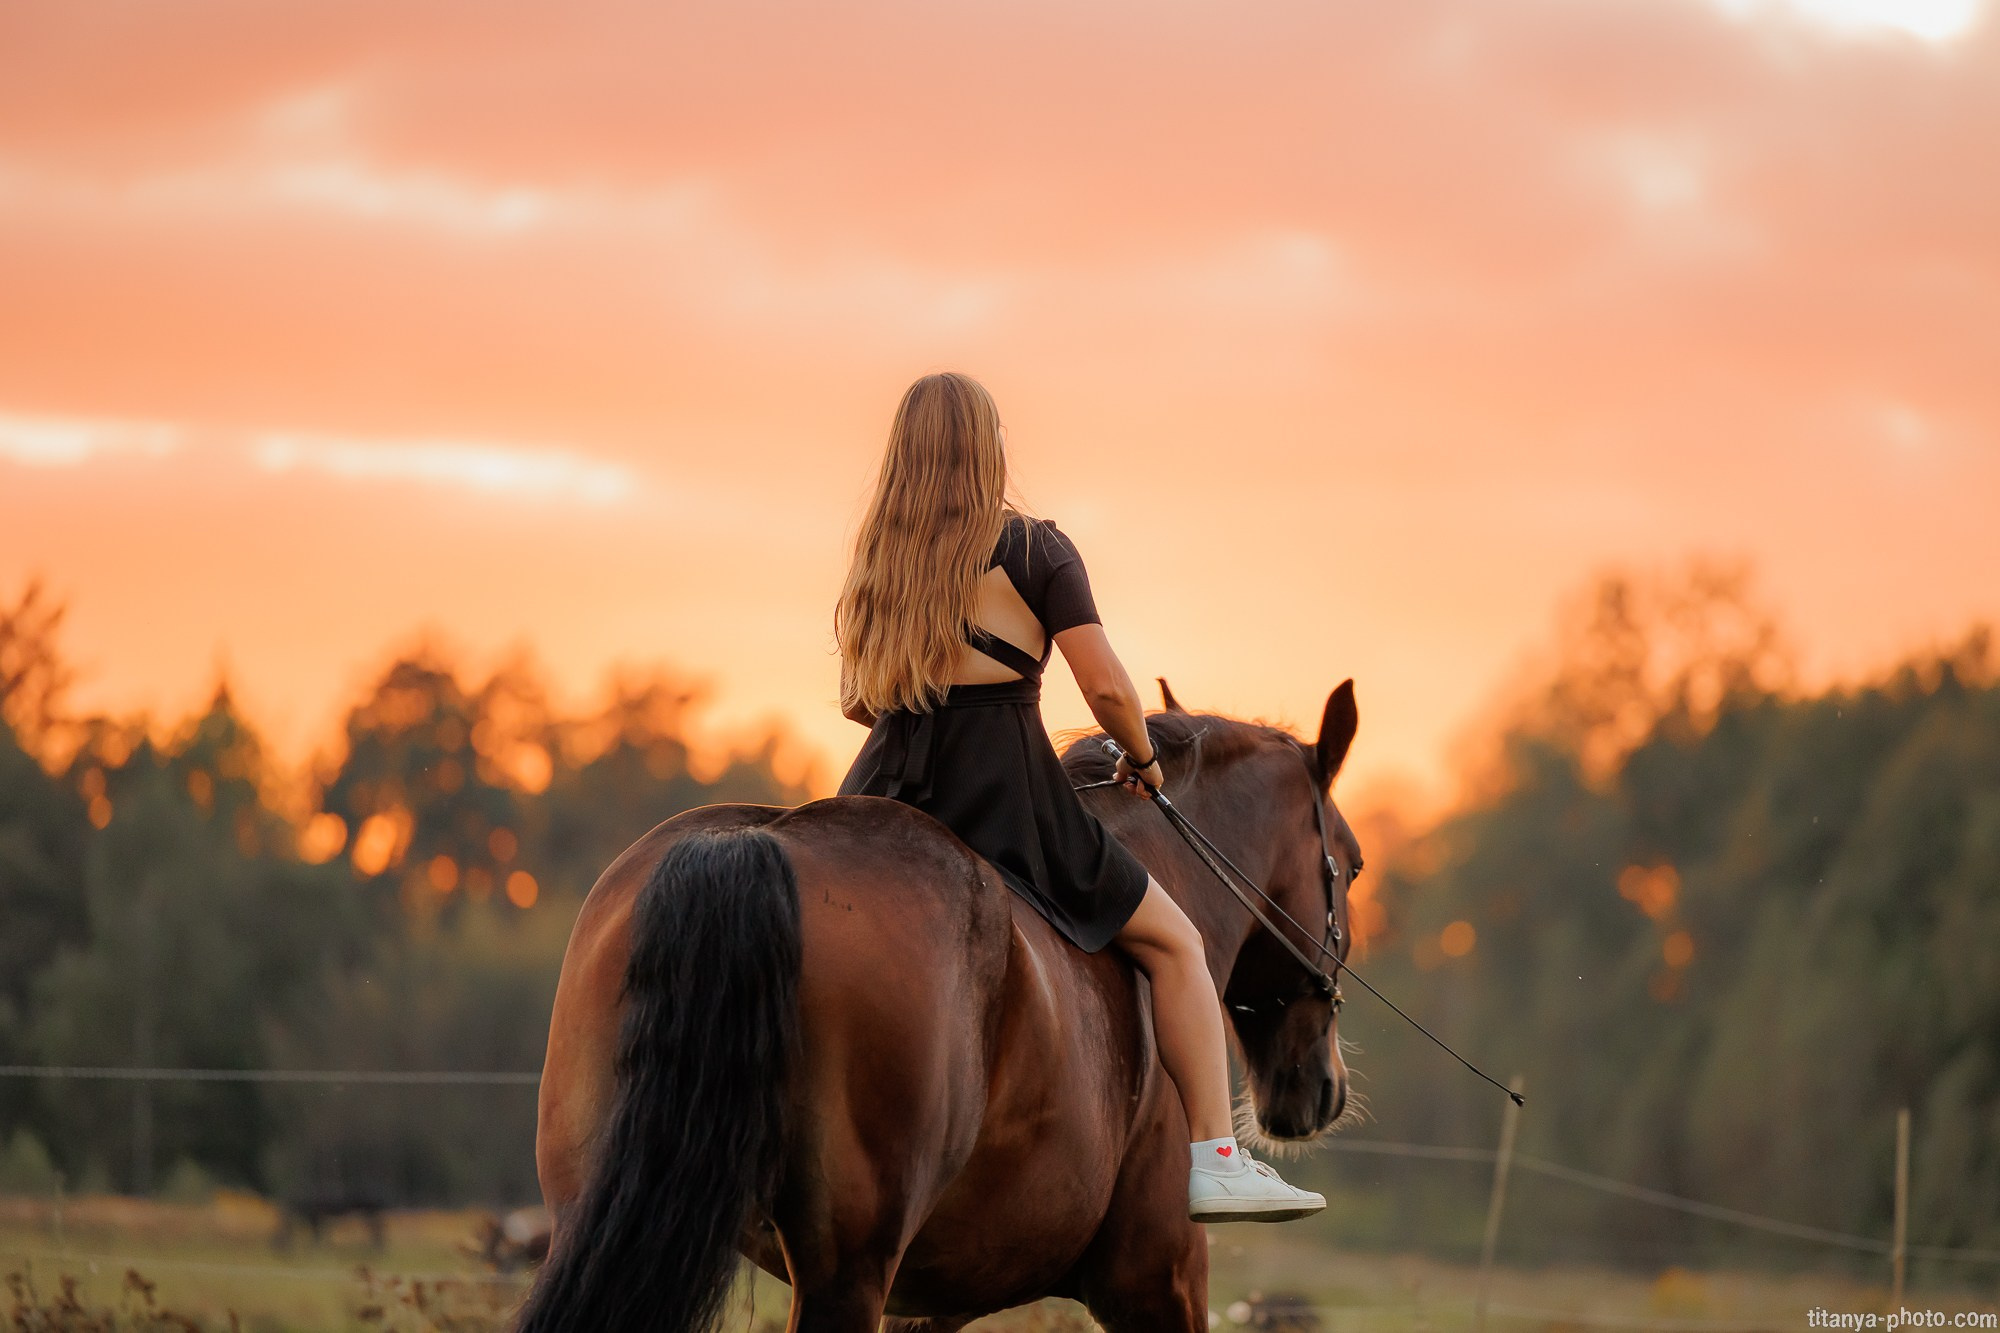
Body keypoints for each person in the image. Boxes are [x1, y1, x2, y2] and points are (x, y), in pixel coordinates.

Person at [834, 371, 1325, 1223]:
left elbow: (856, 700)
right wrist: (1145, 757)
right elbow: (1104, 688)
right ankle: (1215, 1158)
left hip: (886, 790)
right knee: (1174, 943)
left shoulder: (881, 557)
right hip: (1006, 798)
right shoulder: (1036, 549)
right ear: (989, 447)